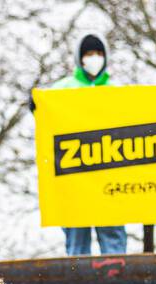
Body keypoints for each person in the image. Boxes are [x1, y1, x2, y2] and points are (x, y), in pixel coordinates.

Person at [51, 34, 128, 256]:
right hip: (75, 178)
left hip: (109, 179)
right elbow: (46, 118)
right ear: (80, 58)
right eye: (88, 54)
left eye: (98, 54)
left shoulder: (117, 92)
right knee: (77, 242)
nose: (94, 58)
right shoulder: (61, 89)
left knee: (113, 240)